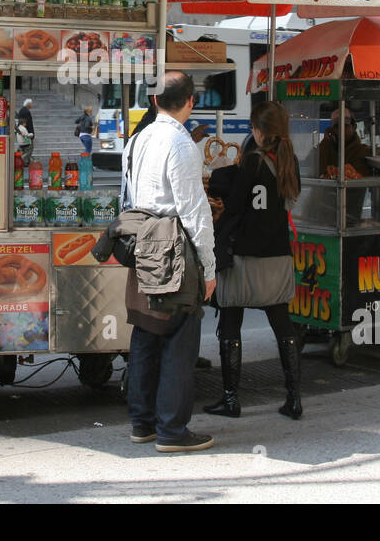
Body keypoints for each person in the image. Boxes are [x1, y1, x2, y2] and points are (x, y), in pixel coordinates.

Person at [121, 71, 217, 452]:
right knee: (180, 340)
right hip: (174, 247)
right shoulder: (181, 144)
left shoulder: (138, 139)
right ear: (190, 102)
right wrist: (209, 269)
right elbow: (195, 212)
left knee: (146, 333)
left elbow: (125, 195)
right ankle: (173, 432)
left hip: (142, 241)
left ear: (156, 101)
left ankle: (142, 424)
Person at [206, 100, 303, 420]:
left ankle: (231, 399)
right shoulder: (290, 162)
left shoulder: (252, 163)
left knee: (230, 322)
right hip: (278, 256)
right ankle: (294, 397)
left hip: (244, 258)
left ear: (260, 132)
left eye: (253, 127)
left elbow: (234, 207)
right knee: (282, 323)